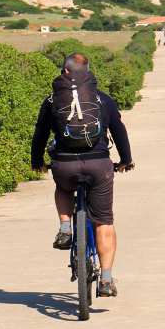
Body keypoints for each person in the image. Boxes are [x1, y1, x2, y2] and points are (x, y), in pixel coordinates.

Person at [31, 52, 133, 297]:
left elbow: (40, 133)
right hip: (99, 165)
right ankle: (106, 280)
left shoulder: (52, 100)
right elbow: (119, 131)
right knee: (104, 222)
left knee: (63, 187)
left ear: (64, 71)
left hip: (64, 164)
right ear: (88, 71)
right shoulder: (102, 99)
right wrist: (126, 160)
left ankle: (65, 226)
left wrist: (37, 161)